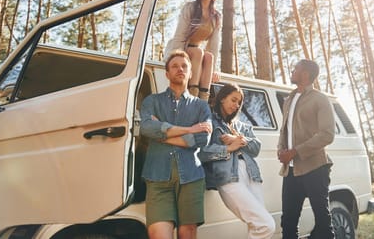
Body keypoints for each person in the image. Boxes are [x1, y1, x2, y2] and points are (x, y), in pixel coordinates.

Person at [140, 50, 213, 239]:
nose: (180, 69)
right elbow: (146, 128)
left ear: (190, 73)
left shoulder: (201, 106)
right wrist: (189, 130)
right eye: (174, 66)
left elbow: (203, 139)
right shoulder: (152, 101)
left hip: (192, 177)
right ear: (167, 74)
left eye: (184, 66)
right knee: (158, 234)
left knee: (187, 233)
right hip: (157, 177)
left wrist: (161, 134)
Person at [199, 83, 276, 239]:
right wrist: (228, 148)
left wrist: (239, 139)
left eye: (239, 103)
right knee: (265, 225)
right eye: (233, 100)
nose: (236, 105)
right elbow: (201, 153)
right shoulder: (210, 122)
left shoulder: (242, 126)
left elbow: (256, 148)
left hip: (252, 175)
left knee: (257, 225)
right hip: (229, 177)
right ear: (222, 99)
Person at [277, 59, 336, 239]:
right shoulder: (289, 99)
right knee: (288, 221)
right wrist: (281, 150)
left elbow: (327, 134)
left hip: (315, 168)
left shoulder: (320, 99)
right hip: (290, 172)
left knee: (323, 221)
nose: (292, 71)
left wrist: (295, 152)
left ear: (305, 74)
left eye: (296, 69)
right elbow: (284, 130)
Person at [164, 0, 221, 101]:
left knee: (209, 56)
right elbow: (180, 34)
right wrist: (176, 58)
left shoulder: (216, 16)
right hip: (180, 48)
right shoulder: (190, 8)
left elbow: (214, 45)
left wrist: (214, 70)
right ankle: (191, 96)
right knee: (198, 52)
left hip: (196, 54)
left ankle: (203, 99)